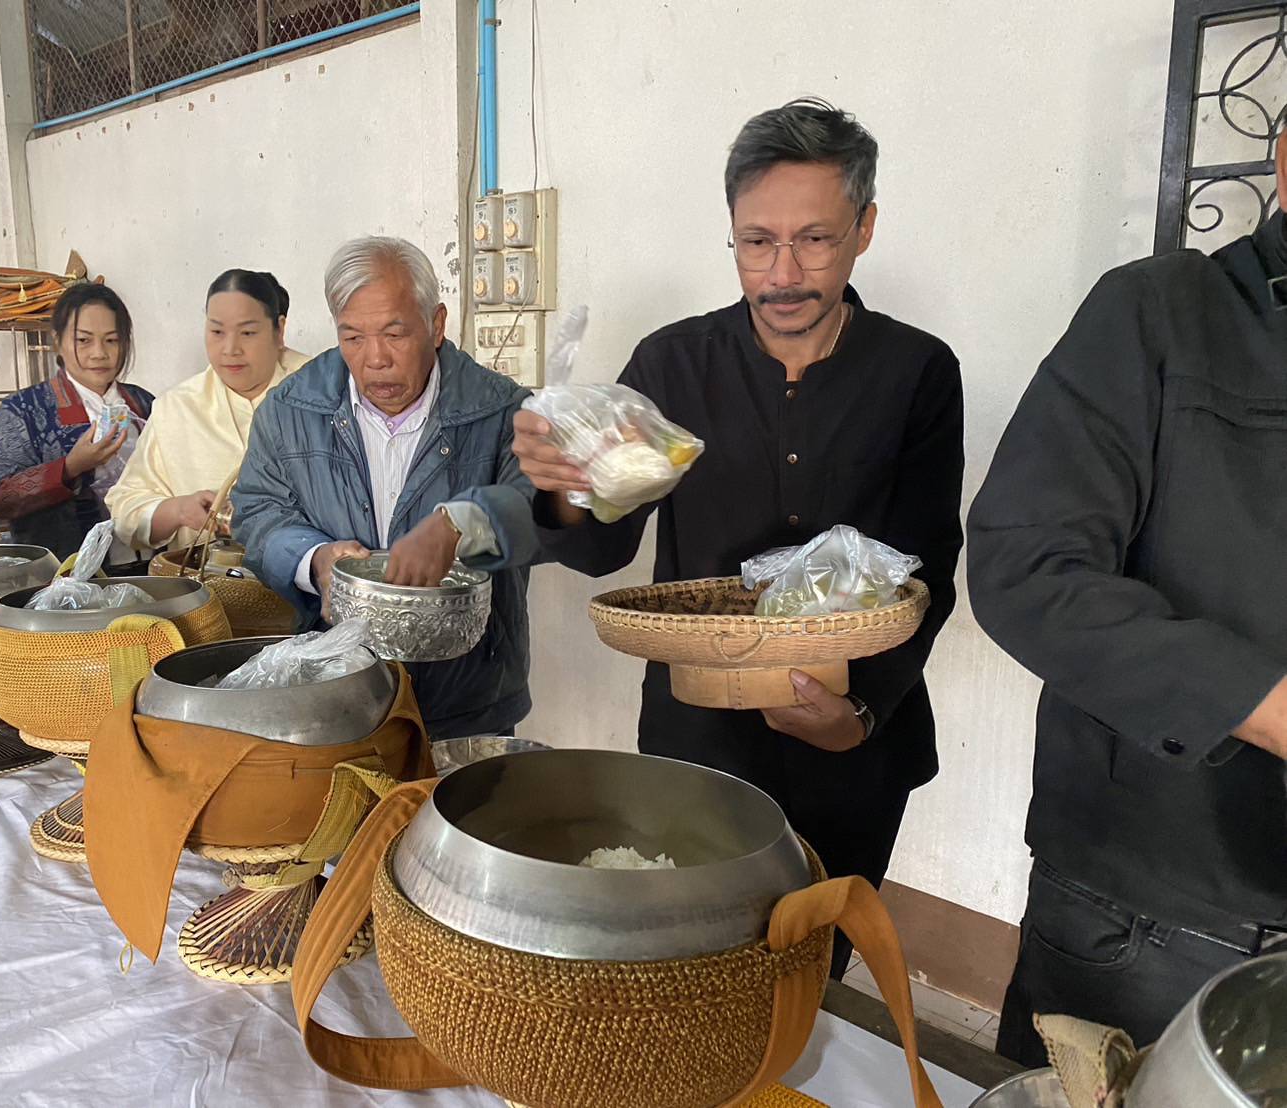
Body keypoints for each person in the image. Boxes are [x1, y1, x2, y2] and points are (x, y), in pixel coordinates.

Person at [511, 98, 965, 978]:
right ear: (729, 233)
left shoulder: (915, 371)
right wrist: (564, 487)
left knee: (810, 966)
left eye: (814, 240)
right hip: (700, 740)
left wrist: (855, 715)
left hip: (855, 741)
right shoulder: (672, 364)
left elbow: (928, 568)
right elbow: (602, 549)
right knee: (691, 961)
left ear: (864, 229)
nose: (782, 273)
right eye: (757, 242)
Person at [967, 139, 1287, 1065]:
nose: (783, 269)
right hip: (1155, 911)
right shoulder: (1161, 313)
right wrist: (1265, 705)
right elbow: (1022, 564)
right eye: (760, 241)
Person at [232, 236, 538, 738]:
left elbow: (535, 511)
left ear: (436, 325)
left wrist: (461, 526)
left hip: (469, 696)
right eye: (352, 337)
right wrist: (315, 561)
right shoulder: (289, 411)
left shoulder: (502, 411)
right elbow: (258, 513)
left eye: (395, 334)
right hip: (337, 693)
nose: (375, 359)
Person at [106, 270, 308, 554]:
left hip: (310, 586)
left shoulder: (319, 391)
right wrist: (178, 510)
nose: (230, 349)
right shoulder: (177, 408)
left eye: (248, 333)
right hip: (210, 588)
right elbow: (125, 508)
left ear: (279, 330)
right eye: (216, 332)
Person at [0, 283, 154, 566]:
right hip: (64, 577)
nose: (99, 353)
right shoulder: (24, 410)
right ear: (57, 341)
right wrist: (70, 467)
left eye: (112, 340)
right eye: (83, 340)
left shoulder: (144, 403)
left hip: (151, 563)